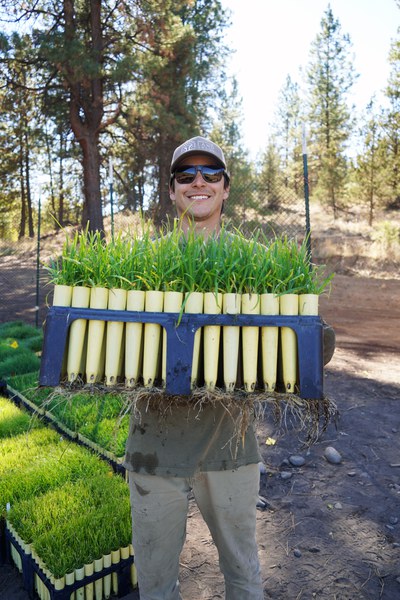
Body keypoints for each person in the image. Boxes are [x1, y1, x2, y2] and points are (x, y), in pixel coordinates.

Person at [124, 136, 335, 600]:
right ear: (173, 189)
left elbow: (311, 347)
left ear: (225, 187)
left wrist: (312, 338)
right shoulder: (135, 267)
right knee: (155, 584)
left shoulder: (260, 265)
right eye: (186, 175)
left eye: (210, 174)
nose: (198, 182)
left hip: (230, 449)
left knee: (243, 573)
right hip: (152, 451)